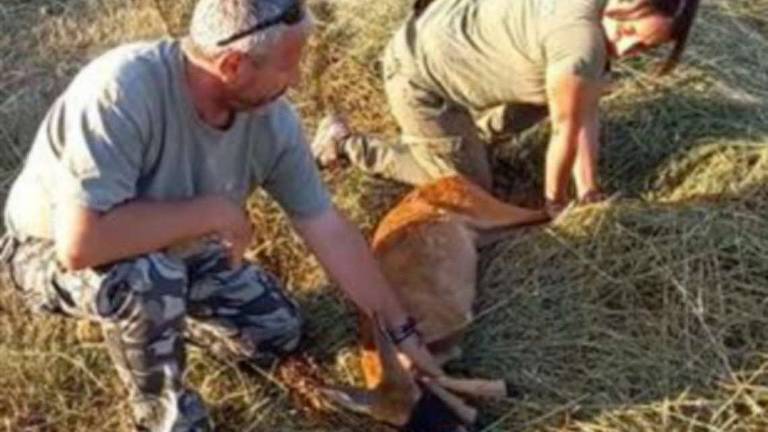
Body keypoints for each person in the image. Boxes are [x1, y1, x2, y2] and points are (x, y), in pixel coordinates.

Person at [0, 0, 443, 430]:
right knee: (147, 279)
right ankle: (164, 416)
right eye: (288, 66)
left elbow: (325, 224)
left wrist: (400, 331)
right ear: (233, 65)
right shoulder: (120, 91)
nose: (298, 79)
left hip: (175, 249)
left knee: (277, 332)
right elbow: (81, 244)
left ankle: (165, 322)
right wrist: (212, 212)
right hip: (46, 250)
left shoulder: (272, 121)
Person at [311, 0, 700, 213]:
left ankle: (466, 142)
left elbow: (586, 115)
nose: (628, 48)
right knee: (470, 189)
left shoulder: (593, 30)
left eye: (645, 47)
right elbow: (567, 131)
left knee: (565, 94)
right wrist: (556, 200)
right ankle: (345, 143)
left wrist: (590, 189)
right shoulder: (580, 43)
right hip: (418, 76)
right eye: (629, 30)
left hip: (448, 29)